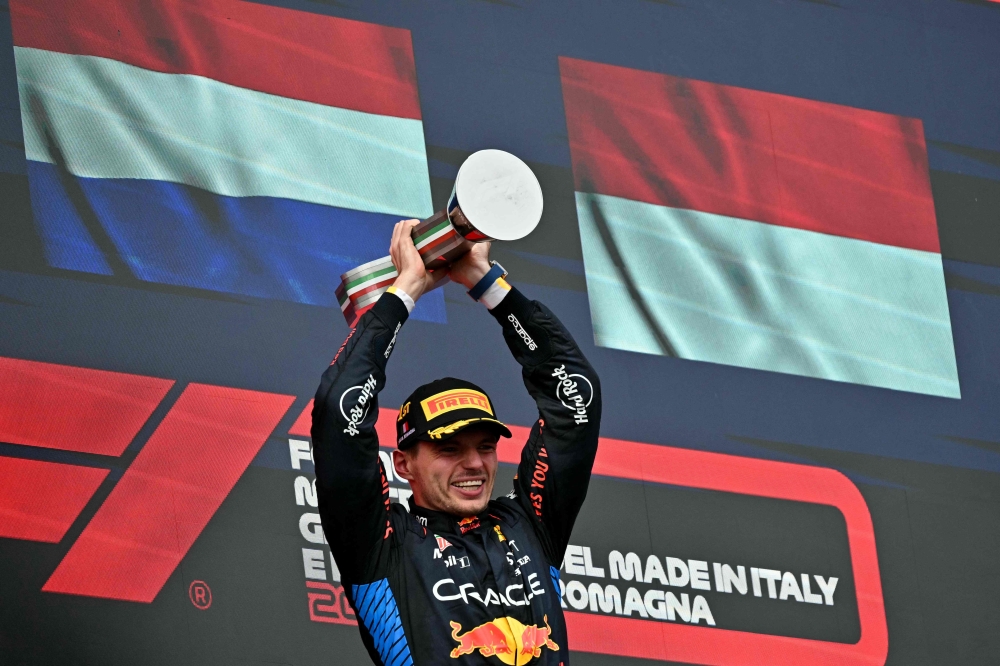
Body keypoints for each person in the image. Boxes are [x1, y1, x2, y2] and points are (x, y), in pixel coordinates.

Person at [312, 219, 602, 665]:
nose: (474, 464)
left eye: (485, 446)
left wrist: (487, 283)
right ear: (404, 464)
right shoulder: (381, 544)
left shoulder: (531, 523)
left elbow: (576, 401)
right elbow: (339, 415)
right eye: (449, 449)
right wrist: (404, 291)